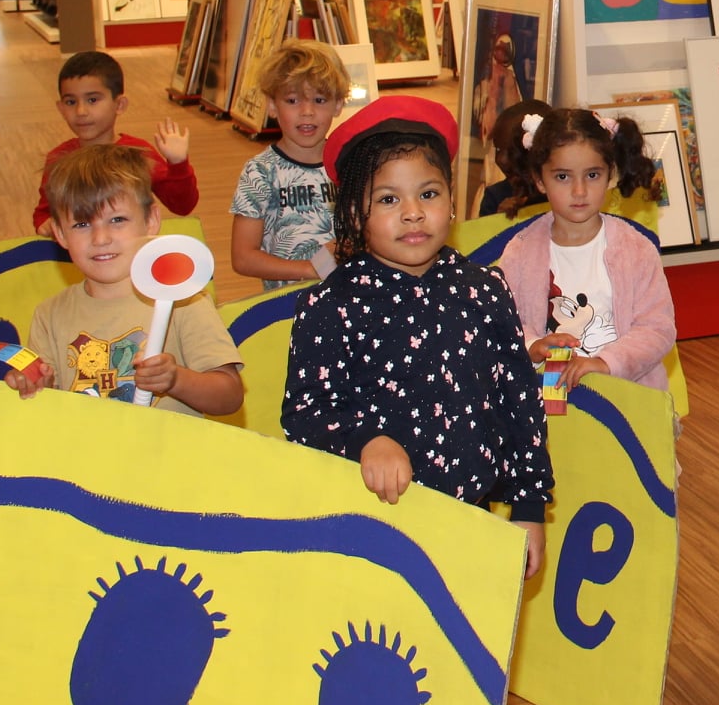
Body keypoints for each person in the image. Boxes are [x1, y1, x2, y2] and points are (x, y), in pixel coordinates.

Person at [281, 96, 551, 577]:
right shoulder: (332, 305)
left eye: (428, 194)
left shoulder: (485, 291)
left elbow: (520, 402)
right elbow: (305, 413)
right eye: (388, 199)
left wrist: (529, 507)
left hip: (474, 520)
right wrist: (366, 440)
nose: (412, 213)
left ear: (451, 201)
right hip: (372, 532)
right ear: (355, 214)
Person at [8, 145, 243, 417]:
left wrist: (176, 380)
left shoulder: (183, 301)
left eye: (117, 220)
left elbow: (229, 396)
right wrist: (34, 387)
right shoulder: (48, 316)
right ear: (60, 233)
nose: (100, 238)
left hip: (169, 457)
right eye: (82, 224)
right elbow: (44, 415)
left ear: (151, 220)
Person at [497, 107, 676, 394]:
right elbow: (502, 323)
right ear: (540, 180)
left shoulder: (635, 249)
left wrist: (606, 362)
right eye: (563, 177)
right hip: (551, 409)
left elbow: (657, 329)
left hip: (630, 404)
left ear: (610, 174)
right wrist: (532, 345)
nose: (579, 191)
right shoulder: (519, 252)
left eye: (592, 175)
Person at [32, 51, 198, 236]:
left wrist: (178, 164)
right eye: (71, 102)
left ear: (119, 105)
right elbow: (44, 211)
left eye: (92, 100)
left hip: (130, 256)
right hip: (81, 259)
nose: (80, 111)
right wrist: (44, 224)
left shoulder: (138, 153)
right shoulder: (59, 159)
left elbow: (182, 206)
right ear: (61, 108)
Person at [229, 40, 348, 291]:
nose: (307, 111)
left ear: (338, 104)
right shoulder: (260, 172)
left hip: (351, 298)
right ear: (272, 105)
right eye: (292, 101)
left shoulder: (351, 164)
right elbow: (242, 257)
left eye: (319, 99)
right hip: (288, 307)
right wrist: (307, 268)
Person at [478, 97, 552, 218]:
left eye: (512, 151)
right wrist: (498, 220)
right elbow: (483, 236)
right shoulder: (495, 196)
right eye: (498, 150)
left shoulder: (562, 193)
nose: (501, 159)